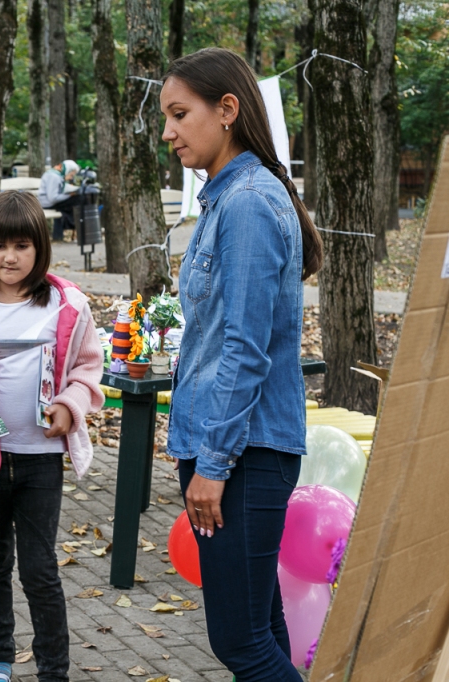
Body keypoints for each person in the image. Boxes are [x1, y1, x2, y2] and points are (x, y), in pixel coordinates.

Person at [160, 47, 324, 681]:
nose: (169, 133)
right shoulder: (227, 198)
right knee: (263, 632)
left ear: (227, 110)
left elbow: (245, 350)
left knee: (241, 644)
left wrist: (215, 464)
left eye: (180, 114)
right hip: (233, 450)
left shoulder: (250, 202)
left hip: (244, 454)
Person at [0, 191, 104, 682]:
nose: (9, 257)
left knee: (39, 569)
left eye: (20, 245)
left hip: (39, 460)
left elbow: (87, 370)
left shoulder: (67, 304)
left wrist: (70, 405)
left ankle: (53, 668)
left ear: (40, 247)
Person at [37, 159, 81, 241]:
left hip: (49, 202)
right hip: (48, 203)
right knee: (78, 200)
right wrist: (69, 194)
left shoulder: (55, 174)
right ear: (68, 170)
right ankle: (72, 231)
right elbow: (53, 198)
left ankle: (61, 235)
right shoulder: (54, 177)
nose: (70, 177)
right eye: (71, 175)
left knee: (72, 204)